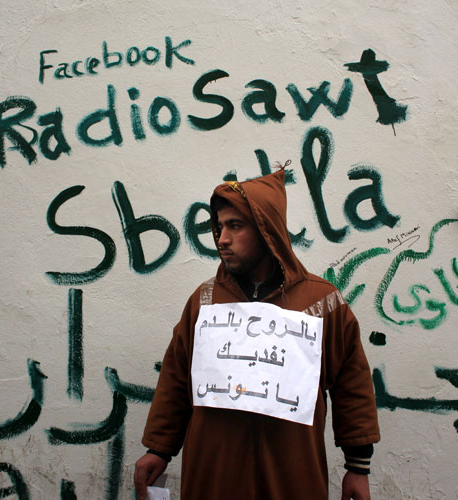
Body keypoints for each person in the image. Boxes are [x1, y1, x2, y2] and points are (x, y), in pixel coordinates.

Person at [134, 168, 380, 500]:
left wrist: (357, 467)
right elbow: (177, 378)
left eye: (235, 226)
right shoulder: (204, 301)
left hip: (291, 476)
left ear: (268, 229)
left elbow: (352, 383)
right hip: (213, 476)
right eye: (219, 227)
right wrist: (159, 449)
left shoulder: (322, 303)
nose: (221, 239)